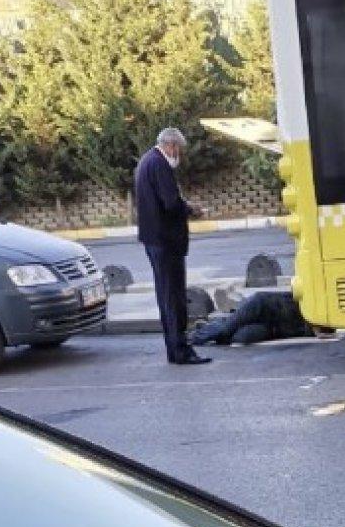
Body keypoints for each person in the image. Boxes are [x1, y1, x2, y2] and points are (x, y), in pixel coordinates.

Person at [135, 128, 212, 365]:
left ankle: (174, 349)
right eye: (179, 149)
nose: (179, 155)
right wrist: (192, 210)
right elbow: (170, 202)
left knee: (166, 296)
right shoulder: (159, 164)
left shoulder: (146, 161)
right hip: (166, 241)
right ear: (171, 146)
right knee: (174, 297)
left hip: (155, 241)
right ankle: (181, 350)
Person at [190, 291, 324, 346]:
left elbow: (319, 331)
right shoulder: (316, 297)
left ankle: (209, 326)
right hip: (263, 305)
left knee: (241, 337)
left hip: (273, 329)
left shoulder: (327, 322)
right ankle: (193, 337)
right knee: (225, 330)